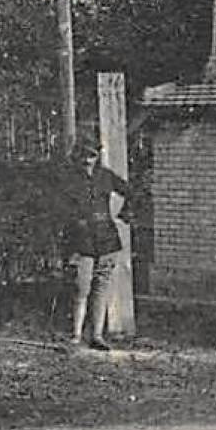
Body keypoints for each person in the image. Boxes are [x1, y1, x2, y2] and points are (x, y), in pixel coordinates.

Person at [66, 142, 129, 350]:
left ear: (97, 156)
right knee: (81, 287)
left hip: (107, 240)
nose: (87, 161)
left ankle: (97, 336)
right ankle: (75, 336)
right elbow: (59, 210)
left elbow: (131, 191)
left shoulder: (106, 176)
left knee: (101, 288)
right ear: (76, 157)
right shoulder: (69, 179)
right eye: (83, 156)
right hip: (82, 240)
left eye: (92, 156)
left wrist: (126, 214)